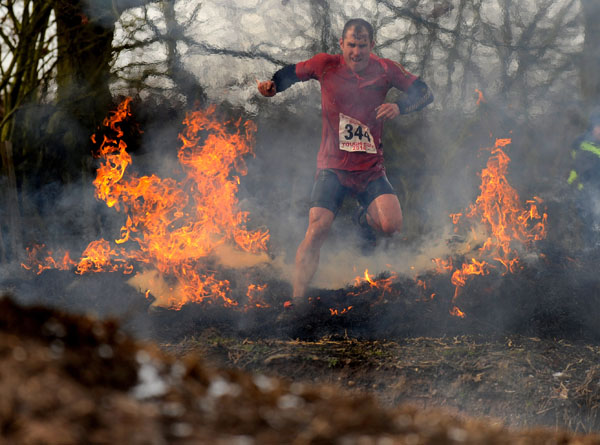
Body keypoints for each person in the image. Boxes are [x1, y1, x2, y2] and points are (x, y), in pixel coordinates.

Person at [258, 18, 434, 306]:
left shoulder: (386, 69)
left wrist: (399, 106)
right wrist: (273, 86)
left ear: (372, 46)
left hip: (370, 169)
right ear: (342, 44)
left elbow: (425, 92)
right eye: (351, 45)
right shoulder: (325, 64)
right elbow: (291, 73)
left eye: (362, 46)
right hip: (333, 169)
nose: (356, 52)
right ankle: (297, 301)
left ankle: (363, 220)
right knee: (318, 228)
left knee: (392, 226)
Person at [567, 108, 600, 247]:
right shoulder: (584, 146)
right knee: (592, 225)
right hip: (588, 193)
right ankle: (591, 254)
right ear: (593, 128)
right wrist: (567, 185)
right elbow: (580, 170)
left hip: (592, 192)